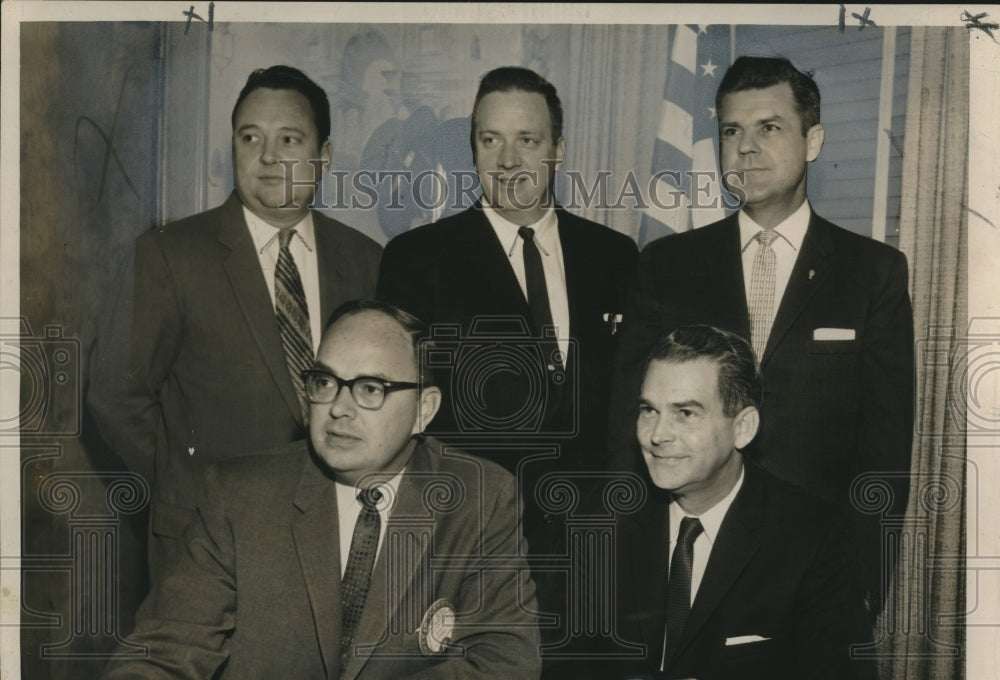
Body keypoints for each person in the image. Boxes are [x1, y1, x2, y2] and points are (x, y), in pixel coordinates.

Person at [32, 300, 540, 680]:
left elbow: (502, 672)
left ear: (423, 409)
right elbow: (167, 653)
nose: (338, 408)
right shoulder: (240, 494)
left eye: (370, 389)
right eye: (324, 382)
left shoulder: (479, 497)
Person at [609, 57, 914, 609]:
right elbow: (625, 427)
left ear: (812, 140)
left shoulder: (873, 272)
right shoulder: (666, 265)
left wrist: (866, 579)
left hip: (816, 567)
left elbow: (884, 451)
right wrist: (618, 565)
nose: (746, 148)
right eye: (732, 131)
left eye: (769, 128)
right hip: (688, 555)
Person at [88, 65, 382, 582]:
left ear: (324, 157)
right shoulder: (168, 255)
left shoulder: (365, 260)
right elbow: (115, 394)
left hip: (334, 541)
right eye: (250, 137)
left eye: (289, 138)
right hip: (205, 544)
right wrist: (186, 481)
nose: (268, 156)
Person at [376, 65, 637, 625]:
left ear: (558, 150)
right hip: (468, 553)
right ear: (473, 148)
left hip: (595, 555)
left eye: (528, 140)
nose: (508, 159)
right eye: (490, 139)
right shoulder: (415, 260)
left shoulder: (615, 257)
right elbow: (402, 422)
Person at [565, 326, 874, 680]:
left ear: (743, 427)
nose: (657, 435)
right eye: (648, 410)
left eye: (685, 413)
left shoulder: (814, 536)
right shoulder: (601, 514)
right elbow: (552, 675)